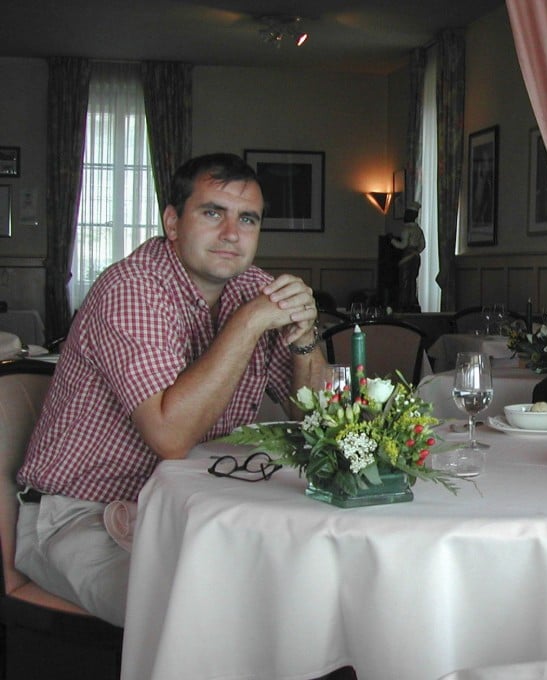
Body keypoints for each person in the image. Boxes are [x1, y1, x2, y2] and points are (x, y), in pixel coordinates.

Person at [15, 153, 327, 626]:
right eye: (211, 212)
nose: (231, 233)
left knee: (307, 586)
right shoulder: (132, 288)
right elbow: (171, 437)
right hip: (79, 515)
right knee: (198, 616)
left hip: (194, 510)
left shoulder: (255, 289)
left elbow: (320, 424)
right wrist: (247, 325)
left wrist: (305, 337)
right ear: (172, 221)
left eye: (247, 219)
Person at [390, 201, 425, 312]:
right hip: (416, 258)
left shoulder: (407, 230)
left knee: (404, 280)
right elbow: (423, 245)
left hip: (406, 257)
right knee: (412, 280)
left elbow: (403, 245)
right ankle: (412, 301)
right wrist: (416, 251)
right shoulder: (419, 230)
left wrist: (392, 240)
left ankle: (404, 303)